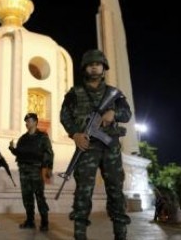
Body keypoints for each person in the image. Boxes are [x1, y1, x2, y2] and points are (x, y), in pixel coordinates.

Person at [60, 49, 132, 240]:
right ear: (85, 68)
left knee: (116, 189)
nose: (94, 67)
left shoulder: (114, 94)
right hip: (86, 146)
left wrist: (113, 114)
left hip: (110, 147)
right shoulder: (75, 93)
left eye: (97, 64)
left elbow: (127, 114)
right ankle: (80, 234)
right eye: (90, 64)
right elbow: (64, 116)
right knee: (83, 190)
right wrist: (75, 134)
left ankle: (120, 234)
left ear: (103, 67)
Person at [9, 113, 54, 231]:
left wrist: (48, 169)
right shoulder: (23, 138)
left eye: (29, 121)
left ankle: (44, 222)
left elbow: (49, 153)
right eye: (26, 121)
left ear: (35, 122)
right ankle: (30, 221)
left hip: (37, 171)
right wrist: (12, 149)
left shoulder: (42, 137)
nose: (26, 123)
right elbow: (19, 153)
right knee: (27, 197)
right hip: (24, 171)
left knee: (40, 197)